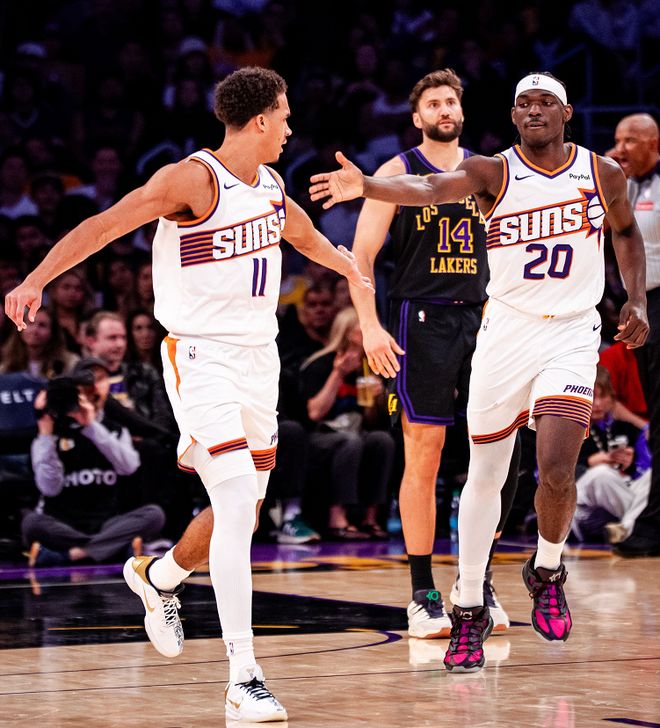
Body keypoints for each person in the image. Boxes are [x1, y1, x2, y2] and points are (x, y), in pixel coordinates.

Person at [5, 66, 372, 722]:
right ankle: (244, 675)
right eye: (285, 116)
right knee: (232, 503)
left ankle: (159, 576)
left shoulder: (271, 185)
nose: (290, 129)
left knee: (243, 515)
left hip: (260, 361)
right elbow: (105, 225)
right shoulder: (192, 179)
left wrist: (348, 266)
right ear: (260, 119)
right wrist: (36, 278)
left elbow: (304, 236)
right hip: (201, 357)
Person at [310, 71, 648, 672]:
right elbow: (424, 190)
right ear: (513, 115)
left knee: (554, 465)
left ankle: (543, 570)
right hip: (483, 326)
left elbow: (625, 231)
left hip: (564, 330)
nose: (534, 111)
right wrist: (368, 187)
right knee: (466, 468)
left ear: (567, 112)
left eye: (546, 102)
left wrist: (636, 298)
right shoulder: (487, 172)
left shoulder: (600, 173)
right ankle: (453, 599)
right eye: (524, 104)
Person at [348, 69, 520, 637]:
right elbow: (360, 257)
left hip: (486, 318)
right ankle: (422, 594)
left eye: (451, 101)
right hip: (419, 318)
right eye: (433, 103)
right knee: (424, 453)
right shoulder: (396, 173)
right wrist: (369, 327)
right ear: (417, 117)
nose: (444, 109)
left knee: (500, 455)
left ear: (461, 111)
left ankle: (477, 582)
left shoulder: (488, 171)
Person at [23, 357, 163, 567]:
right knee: (31, 523)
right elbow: (49, 488)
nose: (93, 388)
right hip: (63, 523)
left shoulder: (114, 428)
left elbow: (129, 467)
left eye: (100, 379)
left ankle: (72, 555)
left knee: (154, 515)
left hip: (106, 523)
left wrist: (91, 427)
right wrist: (45, 433)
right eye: (87, 383)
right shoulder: (52, 431)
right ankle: (111, 548)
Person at [609, 113, 660, 557]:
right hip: (638, 307)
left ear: (652, 143)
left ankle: (653, 523)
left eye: (630, 140)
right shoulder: (617, 184)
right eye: (617, 140)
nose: (620, 148)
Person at [300, 306, 395, 539]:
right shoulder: (321, 363)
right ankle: (337, 517)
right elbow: (314, 413)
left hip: (355, 432)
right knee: (350, 442)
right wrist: (338, 375)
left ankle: (370, 518)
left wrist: (376, 399)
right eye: (364, 327)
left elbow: (371, 422)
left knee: (382, 440)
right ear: (347, 332)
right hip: (319, 434)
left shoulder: (370, 367)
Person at [571, 366, 651, 544]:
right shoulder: (568, 428)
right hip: (580, 495)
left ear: (612, 399)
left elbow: (638, 475)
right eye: (593, 396)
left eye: (603, 396)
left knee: (653, 476)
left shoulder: (625, 428)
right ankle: (638, 526)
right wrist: (588, 463)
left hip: (619, 493)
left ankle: (626, 527)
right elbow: (550, 473)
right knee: (602, 474)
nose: (598, 404)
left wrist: (630, 465)